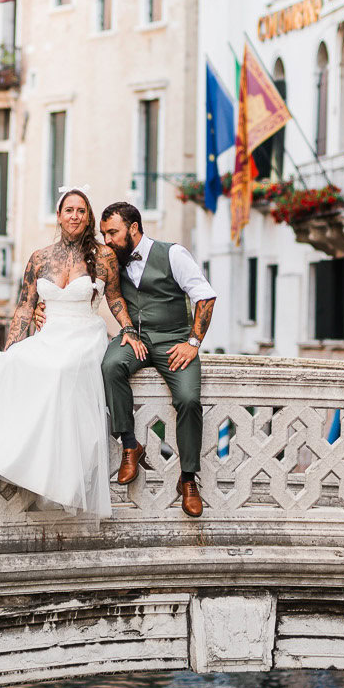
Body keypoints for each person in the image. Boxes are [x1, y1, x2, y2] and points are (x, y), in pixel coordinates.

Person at [0, 188, 139, 516]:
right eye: (69, 210)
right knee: (19, 365)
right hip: (51, 333)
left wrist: (127, 329)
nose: (75, 216)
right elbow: (25, 308)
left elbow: (115, 298)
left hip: (84, 334)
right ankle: (25, 460)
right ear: (59, 215)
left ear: (88, 216)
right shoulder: (39, 258)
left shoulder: (104, 256)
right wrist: (9, 350)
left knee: (61, 371)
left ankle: (62, 476)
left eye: (82, 210)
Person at [99, 200, 216, 518]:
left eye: (112, 233)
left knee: (189, 399)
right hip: (134, 339)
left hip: (174, 342)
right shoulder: (113, 260)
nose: (108, 240)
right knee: (110, 366)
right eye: (104, 234)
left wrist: (193, 342)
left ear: (133, 228)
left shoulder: (173, 254)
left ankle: (188, 479)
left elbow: (204, 296)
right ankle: (129, 444)